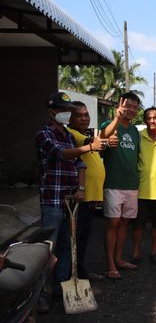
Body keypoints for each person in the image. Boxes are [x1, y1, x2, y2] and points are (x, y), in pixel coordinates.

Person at [35, 92, 102, 305]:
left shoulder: (68, 135)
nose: (66, 113)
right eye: (63, 110)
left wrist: (81, 188)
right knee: (48, 249)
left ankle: (60, 287)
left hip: (70, 200)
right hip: (52, 200)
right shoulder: (44, 134)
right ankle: (40, 294)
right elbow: (62, 154)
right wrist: (90, 146)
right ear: (52, 112)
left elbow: (80, 165)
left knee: (67, 246)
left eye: (68, 110)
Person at [100, 92, 142, 279]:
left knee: (125, 222)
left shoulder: (134, 131)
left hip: (132, 184)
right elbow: (104, 135)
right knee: (113, 223)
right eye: (128, 106)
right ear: (120, 105)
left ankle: (118, 259)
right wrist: (117, 118)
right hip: (113, 183)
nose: (131, 110)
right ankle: (110, 264)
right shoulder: (109, 125)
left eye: (135, 107)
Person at [67, 101, 107, 281]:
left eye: (86, 115)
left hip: (90, 197)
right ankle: (71, 274)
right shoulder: (72, 134)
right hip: (80, 197)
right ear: (70, 118)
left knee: (83, 238)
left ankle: (80, 272)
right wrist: (94, 142)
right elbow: (90, 142)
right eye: (79, 115)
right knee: (74, 239)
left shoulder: (84, 134)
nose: (84, 118)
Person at [133, 107, 156, 266]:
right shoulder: (138, 137)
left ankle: (154, 252)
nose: (152, 121)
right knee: (138, 223)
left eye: (155, 118)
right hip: (141, 188)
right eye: (149, 118)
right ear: (145, 120)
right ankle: (136, 252)